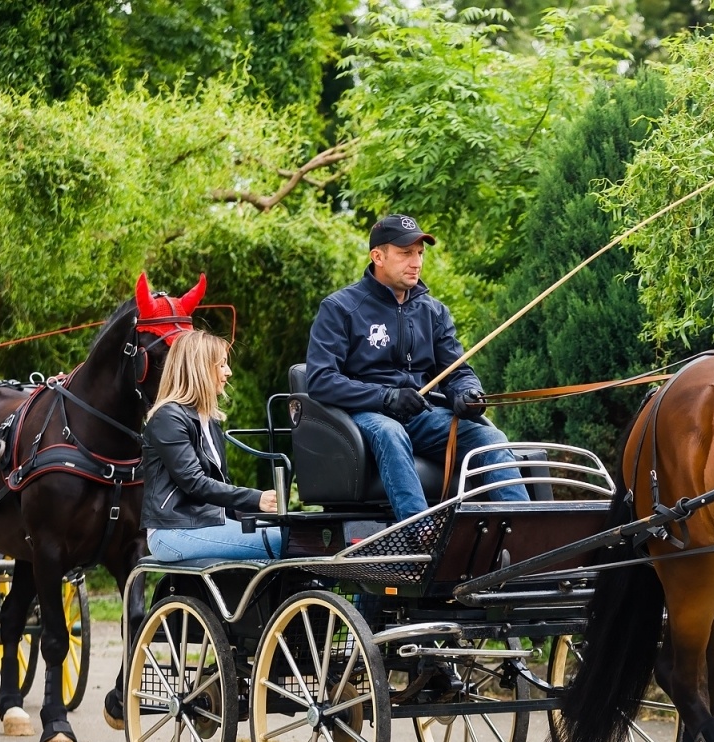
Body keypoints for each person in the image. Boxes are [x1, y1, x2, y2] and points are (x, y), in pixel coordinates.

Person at [304, 213, 529, 525]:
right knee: (390, 432)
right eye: (405, 253)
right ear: (377, 256)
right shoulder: (340, 308)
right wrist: (386, 397)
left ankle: (525, 531)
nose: (416, 262)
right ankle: (422, 535)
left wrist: (467, 393)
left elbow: (456, 372)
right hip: (365, 414)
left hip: (423, 415)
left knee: (491, 438)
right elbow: (320, 380)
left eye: (420, 253)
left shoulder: (434, 311)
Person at [141, 329, 282, 563]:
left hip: (206, 523)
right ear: (200, 369)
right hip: (173, 531)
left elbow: (217, 486)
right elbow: (194, 483)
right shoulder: (168, 418)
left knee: (295, 537)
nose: (229, 372)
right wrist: (255, 499)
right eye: (222, 365)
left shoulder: (209, 420)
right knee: (279, 542)